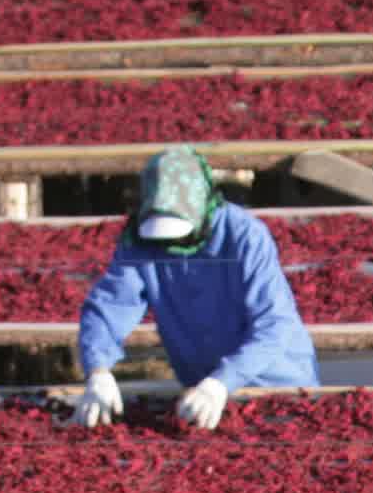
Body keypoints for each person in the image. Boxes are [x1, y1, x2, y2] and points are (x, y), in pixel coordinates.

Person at [73, 145, 318, 434]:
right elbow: (109, 307)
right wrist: (98, 371)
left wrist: (222, 381)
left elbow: (275, 323)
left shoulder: (244, 236)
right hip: (200, 397)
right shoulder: (140, 240)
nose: (168, 245)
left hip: (276, 385)